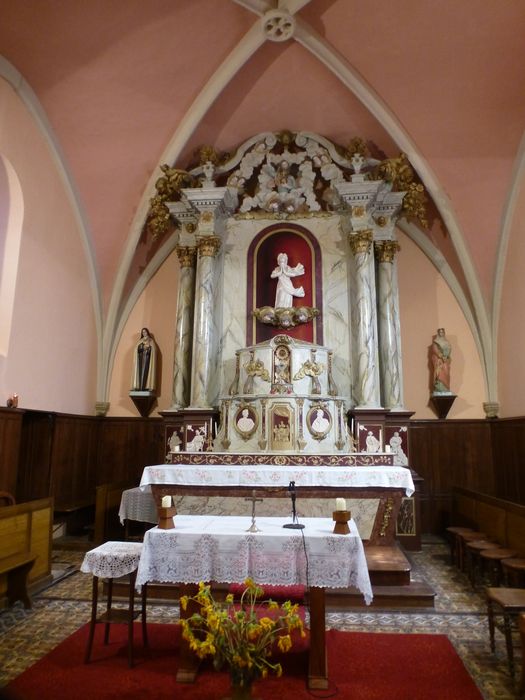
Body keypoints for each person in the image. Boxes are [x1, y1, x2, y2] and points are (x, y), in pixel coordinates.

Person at [431, 328, 452, 394]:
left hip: (445, 360)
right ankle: (439, 388)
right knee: (439, 373)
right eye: (440, 332)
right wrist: (441, 356)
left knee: (447, 372)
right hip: (439, 361)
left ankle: (445, 388)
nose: (441, 333)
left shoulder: (447, 342)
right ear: (438, 333)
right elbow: (435, 350)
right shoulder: (436, 342)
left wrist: (447, 356)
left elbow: (449, 350)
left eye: (442, 332)